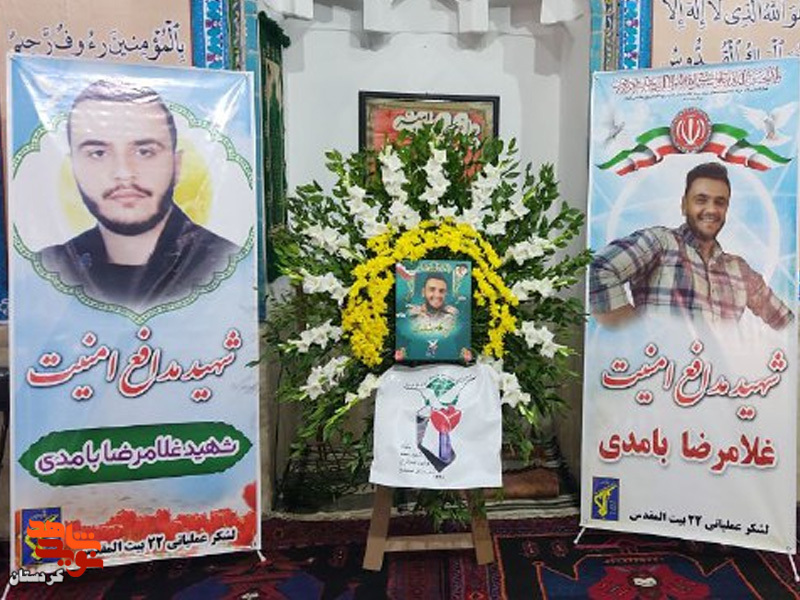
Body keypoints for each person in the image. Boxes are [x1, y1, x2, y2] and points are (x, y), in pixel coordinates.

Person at [37, 79, 239, 311]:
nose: (124, 173)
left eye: (144, 152)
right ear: (73, 168)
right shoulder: (49, 269)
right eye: (98, 153)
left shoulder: (226, 263)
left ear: (177, 165)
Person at [589, 162, 794, 330]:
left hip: (722, 370)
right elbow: (600, 268)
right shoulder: (660, 242)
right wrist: (634, 334)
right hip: (659, 367)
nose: (711, 210)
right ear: (684, 205)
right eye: (701, 200)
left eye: (720, 202)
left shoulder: (740, 270)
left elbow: (787, 324)